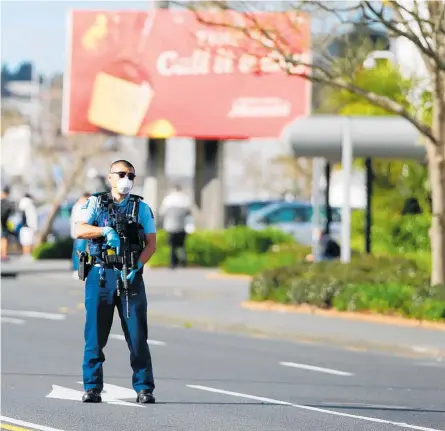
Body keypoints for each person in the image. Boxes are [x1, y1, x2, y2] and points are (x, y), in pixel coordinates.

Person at [74, 160, 157, 404]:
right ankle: (92, 387)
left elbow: (151, 243)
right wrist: (104, 232)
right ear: (110, 177)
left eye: (131, 175)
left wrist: (138, 266)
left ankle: (144, 388)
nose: (126, 179)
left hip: (130, 276)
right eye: (121, 174)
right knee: (95, 336)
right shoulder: (96, 203)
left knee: (137, 335)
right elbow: (80, 229)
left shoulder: (141, 207)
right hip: (100, 275)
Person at [159, 184, 191, 269]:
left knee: (172, 246)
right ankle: (183, 262)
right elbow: (189, 212)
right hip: (182, 226)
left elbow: (162, 212)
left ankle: (173, 263)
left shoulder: (168, 199)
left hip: (170, 226)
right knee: (181, 245)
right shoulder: (185, 199)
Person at [70, 192, 91, 278]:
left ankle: (78, 269)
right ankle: (77, 269)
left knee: (79, 251)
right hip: (80, 233)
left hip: (80, 232)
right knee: (79, 252)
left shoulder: (77, 206)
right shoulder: (79, 207)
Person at [18, 193, 38, 258]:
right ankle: (28, 254)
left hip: (23, 227)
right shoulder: (30, 205)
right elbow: (32, 218)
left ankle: (25, 254)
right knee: (28, 242)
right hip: (28, 227)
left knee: (25, 242)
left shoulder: (22, 206)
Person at [1, 186, 14, 261]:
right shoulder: (7, 202)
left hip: (3, 224)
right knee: (3, 239)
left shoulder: (4, 202)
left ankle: (3, 255)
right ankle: (3, 255)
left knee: (3, 239)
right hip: (3, 224)